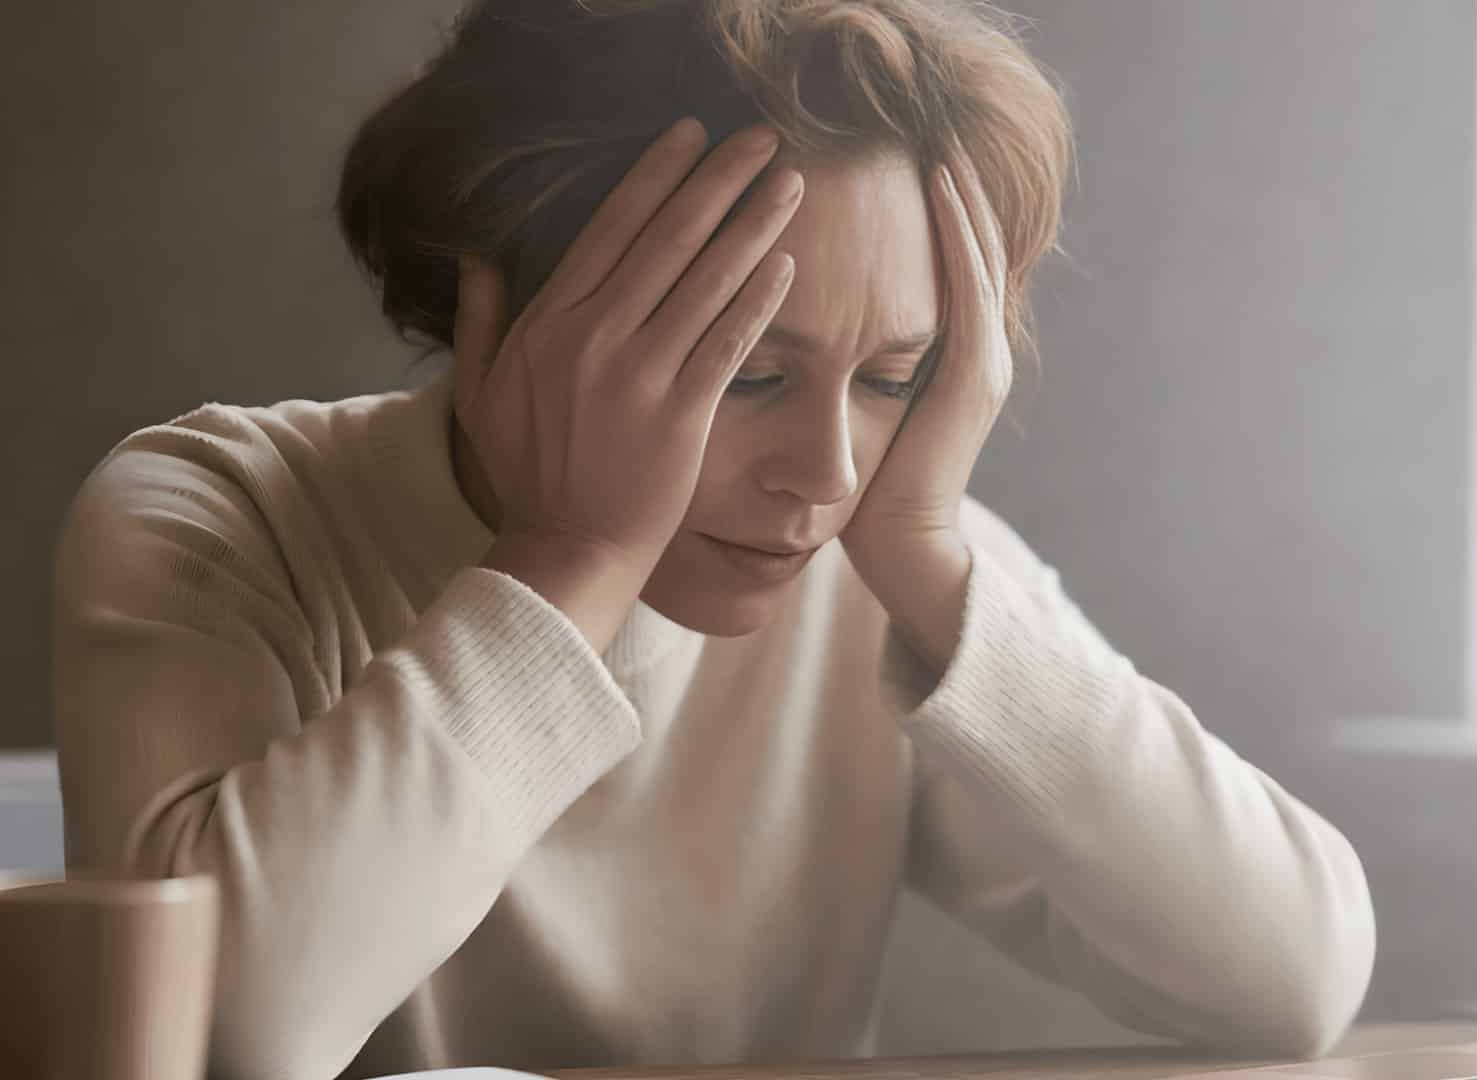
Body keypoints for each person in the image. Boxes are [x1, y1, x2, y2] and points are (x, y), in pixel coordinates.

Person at [49, 1, 1376, 1077]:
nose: (827, 474)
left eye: (895, 377)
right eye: (745, 373)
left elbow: (1295, 975)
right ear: (498, 302)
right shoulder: (217, 515)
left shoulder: (880, 550)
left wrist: (925, 552)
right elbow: (217, 1039)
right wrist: (571, 556)